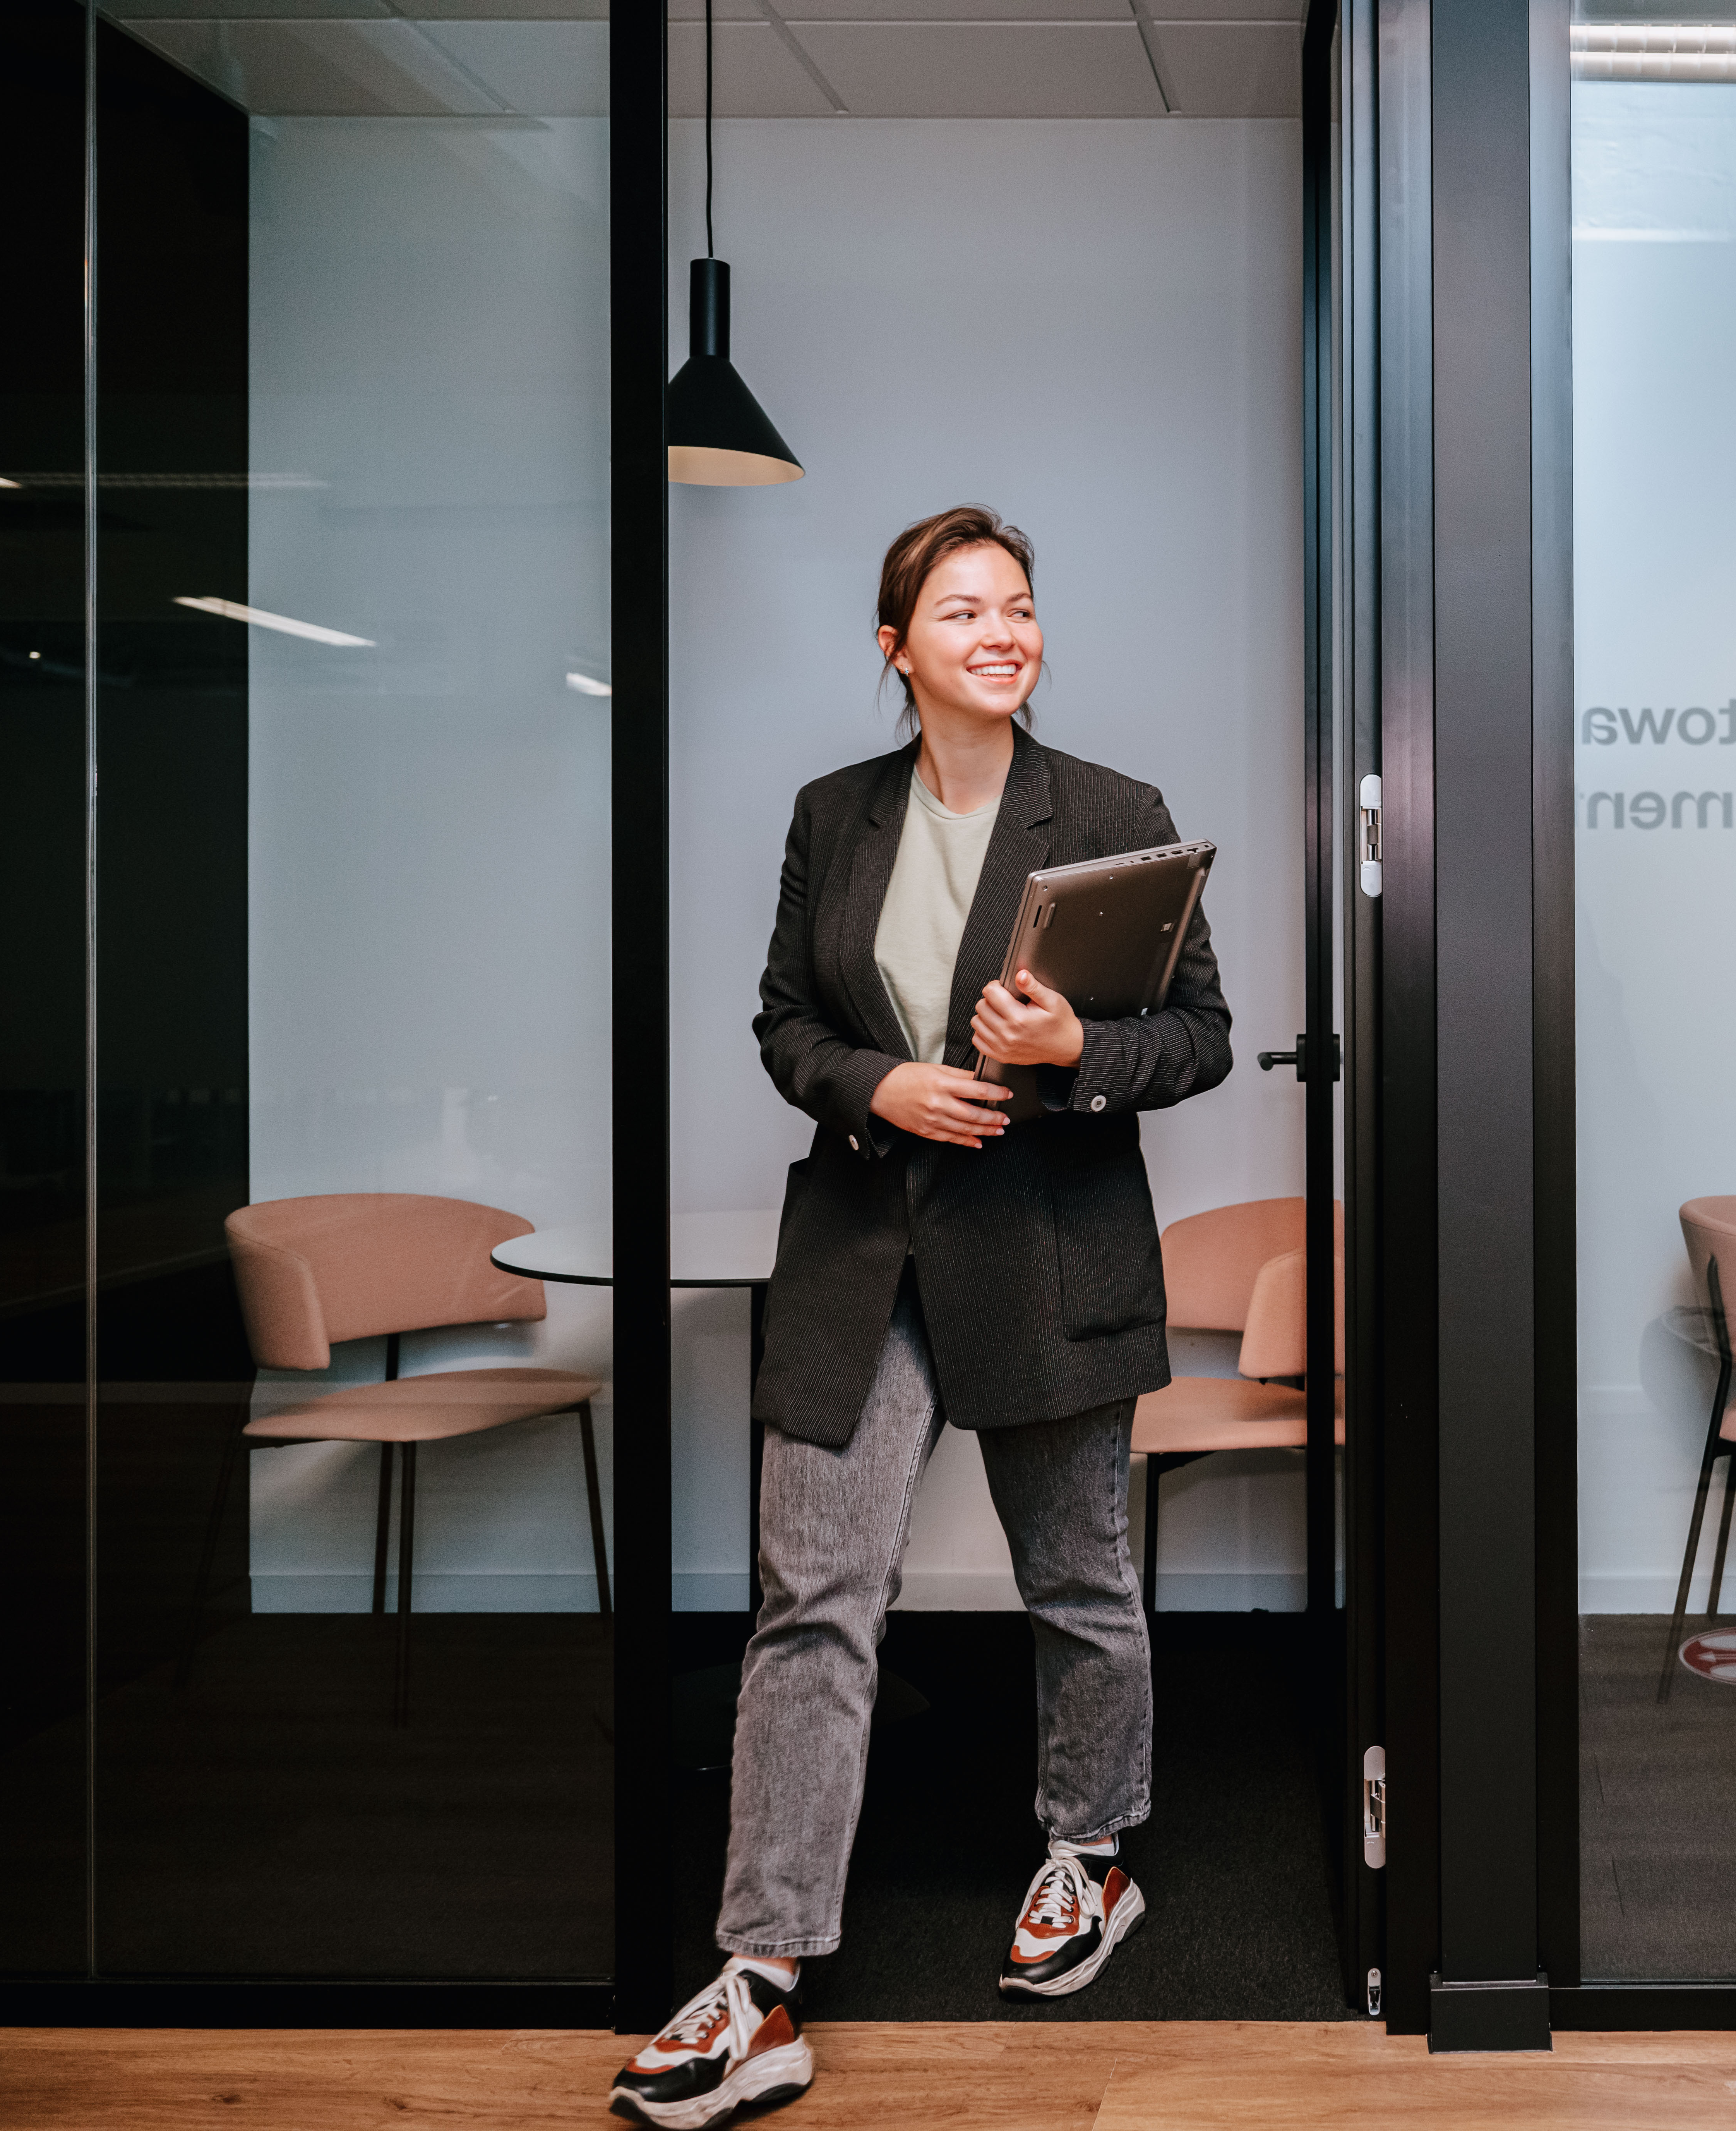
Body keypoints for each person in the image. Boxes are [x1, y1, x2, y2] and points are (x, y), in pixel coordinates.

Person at [610, 505, 1230, 2130]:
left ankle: (1088, 1855)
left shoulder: (1113, 813)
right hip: (861, 1250)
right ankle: (760, 1976)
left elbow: (1204, 1035)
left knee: (1078, 1575)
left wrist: (1072, 1055)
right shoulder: (836, 815)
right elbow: (783, 1021)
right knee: (812, 1597)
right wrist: (875, 1077)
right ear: (899, 649)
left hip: (1047, 1244)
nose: (1002, 629)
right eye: (965, 609)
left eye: (1021, 605)